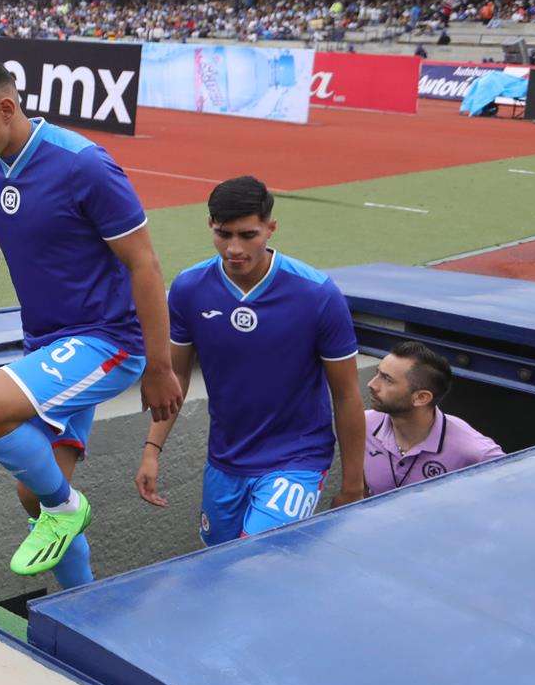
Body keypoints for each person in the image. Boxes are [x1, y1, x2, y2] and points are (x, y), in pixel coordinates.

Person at [0, 57, 181, 586]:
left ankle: (65, 508)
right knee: (34, 492)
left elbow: (144, 263)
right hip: (47, 343)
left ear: (6, 108)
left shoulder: (84, 165)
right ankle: (84, 607)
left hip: (110, 341)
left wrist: (160, 364)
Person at [136, 177, 366, 544]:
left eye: (248, 235)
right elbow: (173, 376)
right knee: (219, 567)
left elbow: (347, 394)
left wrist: (354, 483)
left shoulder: (316, 294)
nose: (234, 248)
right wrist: (151, 450)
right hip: (225, 462)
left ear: (271, 228)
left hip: (297, 459)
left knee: (254, 560)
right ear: (210, 226)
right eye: (223, 234)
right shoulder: (189, 289)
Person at [362, 341, 504, 495]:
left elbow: (514, 483)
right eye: (377, 373)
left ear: (421, 398)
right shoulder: (363, 425)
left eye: (387, 379)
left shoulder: (472, 449)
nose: (372, 384)